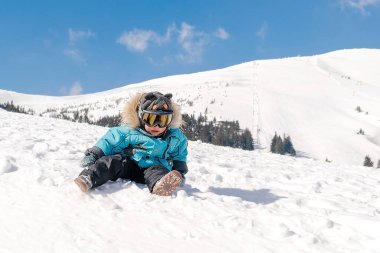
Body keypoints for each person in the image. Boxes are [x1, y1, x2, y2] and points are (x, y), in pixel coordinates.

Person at [74, 91, 188, 196]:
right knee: (112, 162)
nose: (156, 126)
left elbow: (179, 154)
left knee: (159, 170)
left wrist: (179, 170)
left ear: (170, 121)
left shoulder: (175, 137)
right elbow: (110, 141)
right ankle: (89, 177)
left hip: (153, 168)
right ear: (141, 117)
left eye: (163, 121)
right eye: (151, 119)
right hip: (129, 165)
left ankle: (161, 184)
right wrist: (95, 153)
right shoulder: (130, 131)